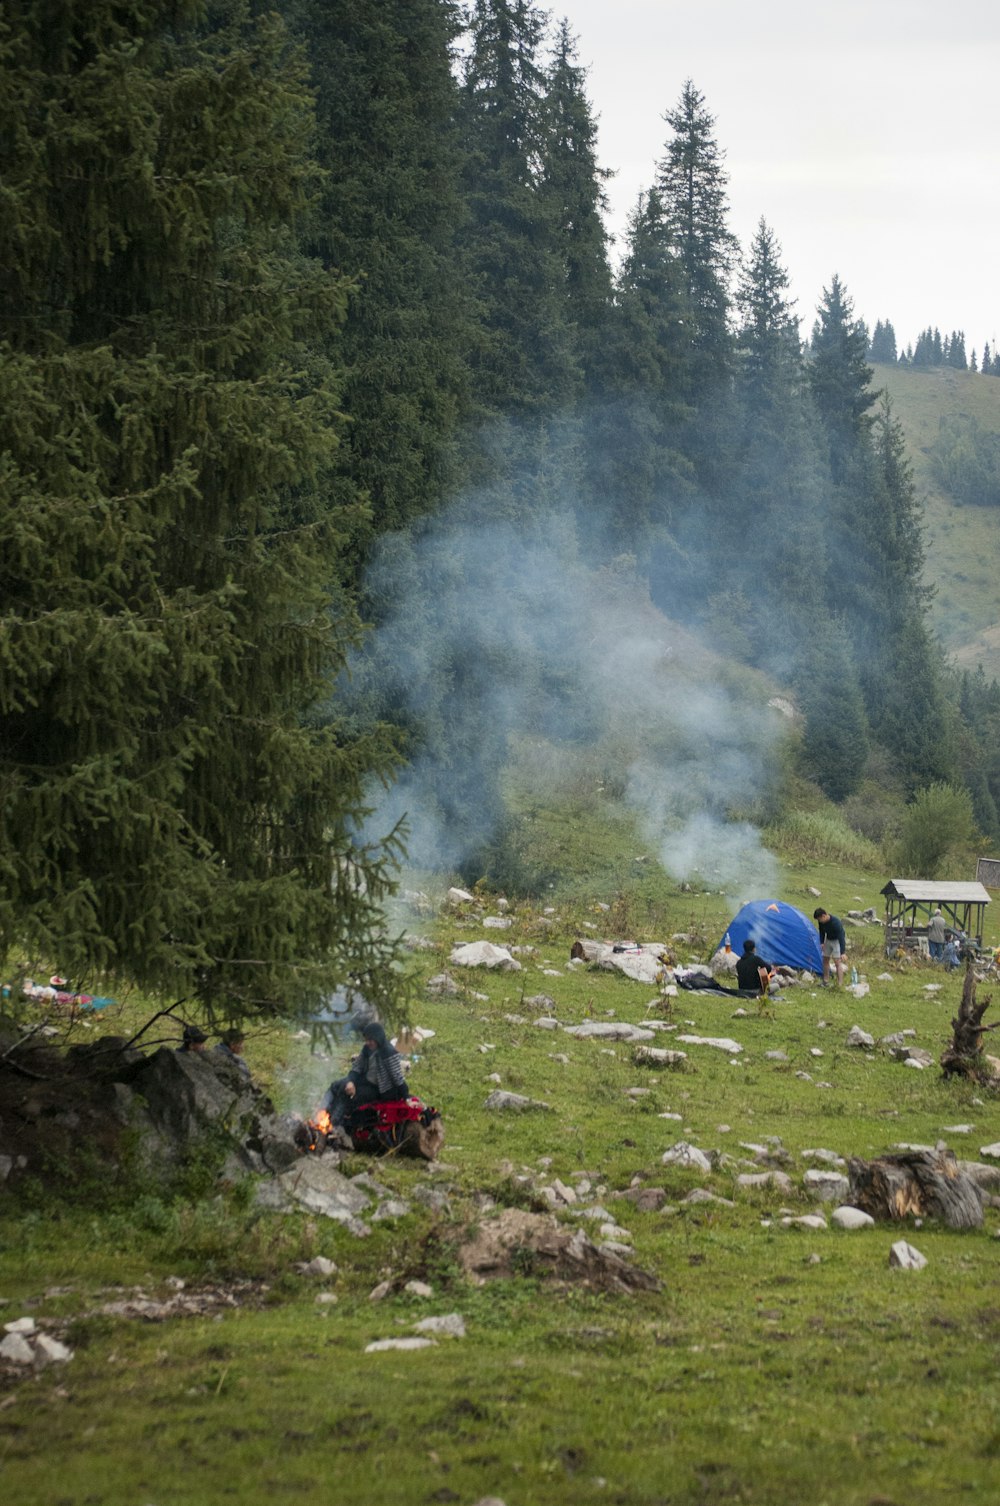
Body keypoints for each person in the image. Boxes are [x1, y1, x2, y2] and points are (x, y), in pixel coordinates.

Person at [323, 1021, 409, 1131]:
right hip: (365, 1081)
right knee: (336, 1086)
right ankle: (321, 1113)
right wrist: (351, 1081)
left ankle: (334, 1125)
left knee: (348, 1096)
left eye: (370, 1040)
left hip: (379, 1090)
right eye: (366, 1040)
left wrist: (405, 1096)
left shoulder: (389, 1053)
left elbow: (397, 1078)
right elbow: (357, 1067)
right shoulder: (367, 1049)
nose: (368, 1043)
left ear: (377, 1038)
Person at [813, 909, 847, 986]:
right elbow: (821, 931)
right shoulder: (821, 922)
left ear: (824, 916)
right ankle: (825, 981)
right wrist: (821, 942)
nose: (819, 921)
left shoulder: (836, 923)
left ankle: (840, 984)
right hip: (828, 940)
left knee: (837, 962)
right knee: (825, 960)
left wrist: (843, 952)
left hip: (837, 941)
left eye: (819, 919)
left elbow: (841, 937)